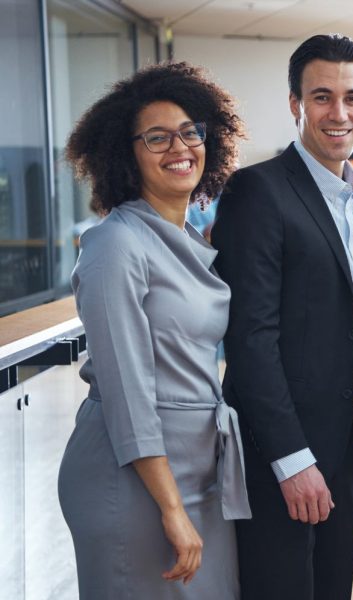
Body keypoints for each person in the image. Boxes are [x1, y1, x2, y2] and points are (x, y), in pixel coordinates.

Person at [211, 34, 353, 600]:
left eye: (352, 97)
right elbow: (249, 341)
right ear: (295, 103)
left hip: (349, 447)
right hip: (284, 456)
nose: (338, 113)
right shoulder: (258, 191)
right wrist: (291, 460)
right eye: (322, 96)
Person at [57, 62, 249, 599]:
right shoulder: (116, 245)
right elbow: (128, 393)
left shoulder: (187, 237)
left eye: (190, 132)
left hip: (197, 468)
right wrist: (169, 507)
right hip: (134, 478)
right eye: (157, 137)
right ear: (126, 153)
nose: (179, 147)